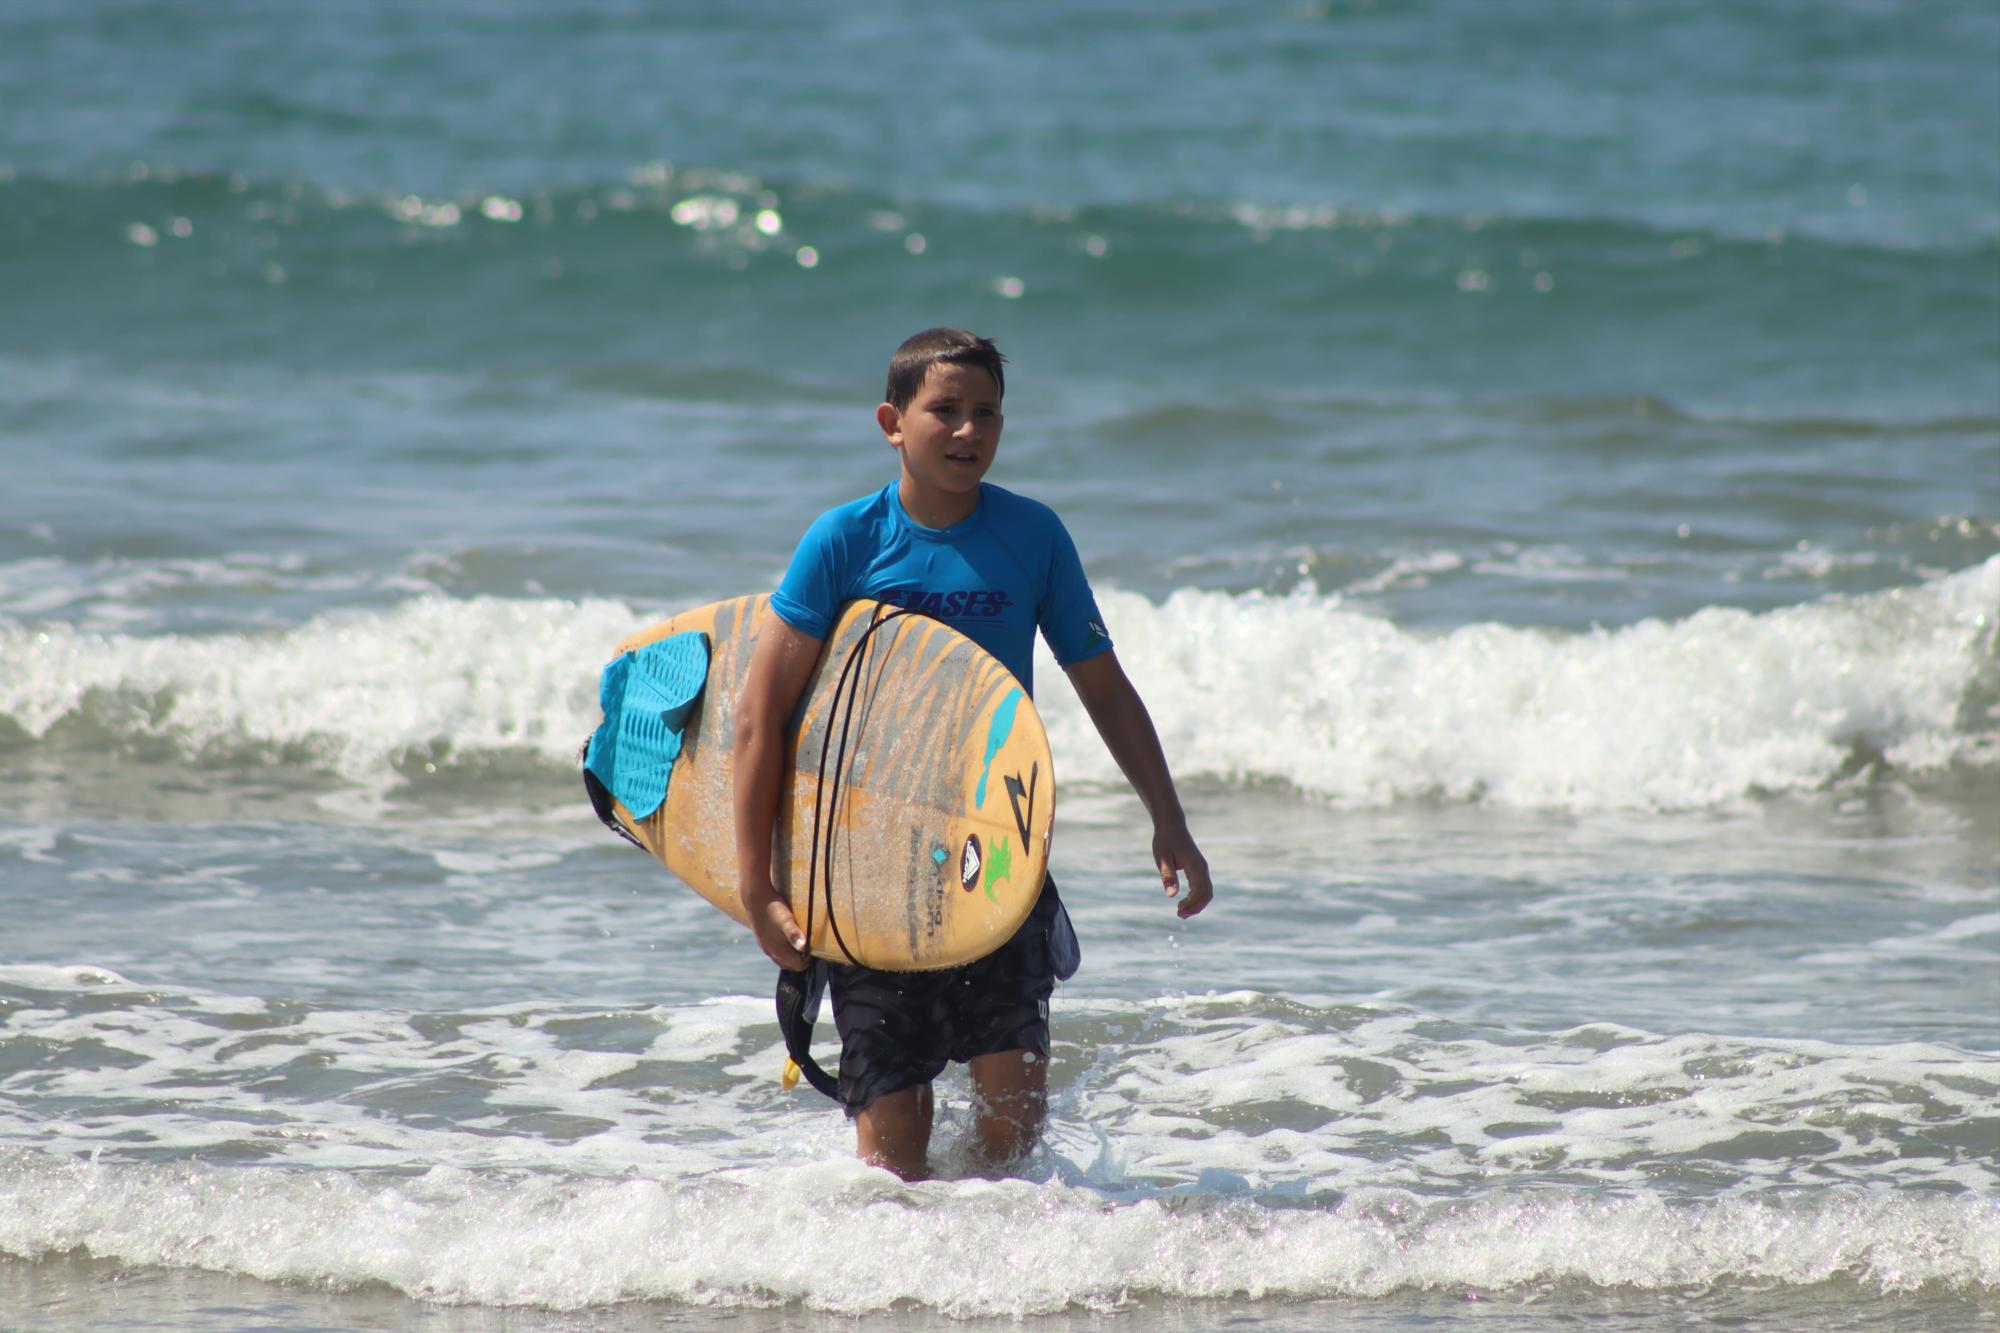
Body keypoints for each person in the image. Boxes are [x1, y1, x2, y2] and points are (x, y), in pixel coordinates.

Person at [731, 327, 1213, 1180]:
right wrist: (757, 884)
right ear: (892, 422)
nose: (968, 430)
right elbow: (758, 716)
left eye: (986, 412)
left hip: (996, 855)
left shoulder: (1033, 535)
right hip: (869, 869)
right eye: (945, 410)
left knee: (1012, 1134)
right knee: (894, 1154)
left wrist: (1168, 819)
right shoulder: (844, 541)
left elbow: (1104, 686)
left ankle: (1003, 1262)